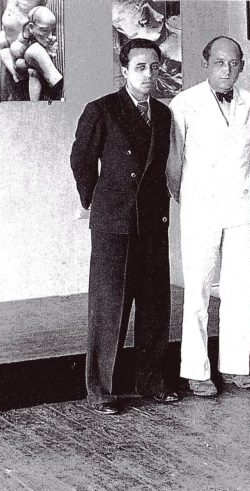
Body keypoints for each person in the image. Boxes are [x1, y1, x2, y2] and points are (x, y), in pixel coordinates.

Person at [69, 38, 180, 415]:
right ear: (124, 70)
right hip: (114, 224)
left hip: (152, 223)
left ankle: (151, 382)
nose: (148, 75)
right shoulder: (102, 110)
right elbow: (81, 162)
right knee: (109, 307)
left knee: (154, 307)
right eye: (140, 68)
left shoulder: (163, 115)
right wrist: (95, 202)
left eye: (153, 67)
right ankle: (101, 389)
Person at [167, 36, 250, 397]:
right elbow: (174, 164)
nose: (227, 70)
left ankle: (236, 365)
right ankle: (196, 369)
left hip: (241, 204)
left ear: (240, 66)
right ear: (206, 63)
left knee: (240, 288)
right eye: (220, 62)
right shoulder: (184, 104)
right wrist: (188, 197)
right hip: (200, 206)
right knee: (198, 288)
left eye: (234, 63)